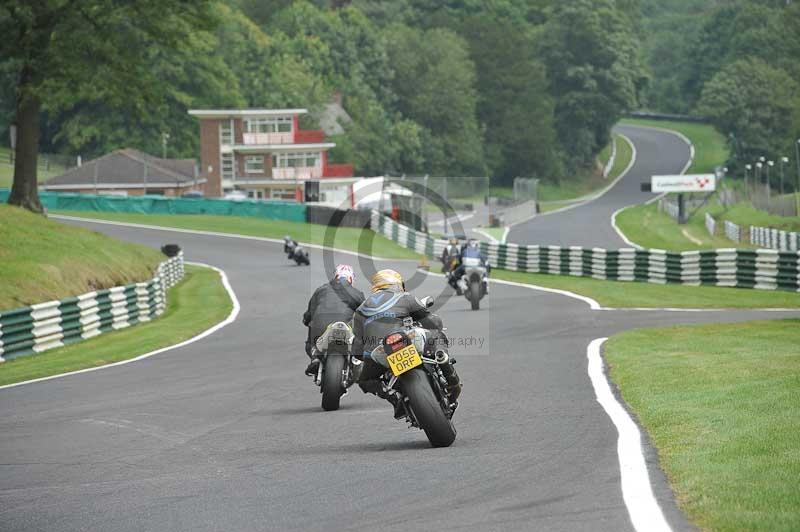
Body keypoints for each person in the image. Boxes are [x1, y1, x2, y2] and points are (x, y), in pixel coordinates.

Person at [352, 269, 461, 417]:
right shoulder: (405, 297)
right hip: (406, 338)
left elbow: (357, 348)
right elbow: (433, 322)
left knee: (365, 380)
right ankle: (444, 362)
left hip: (378, 351)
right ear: (397, 284)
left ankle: (394, 397)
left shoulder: (360, 310)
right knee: (436, 335)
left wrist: (367, 357)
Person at [302, 264, 365, 376]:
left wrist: (306, 321)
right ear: (351, 278)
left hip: (320, 327)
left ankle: (315, 357)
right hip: (345, 328)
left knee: (311, 331)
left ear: (336, 276)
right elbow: (365, 315)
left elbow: (309, 314)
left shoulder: (321, 289)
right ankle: (355, 361)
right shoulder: (357, 294)